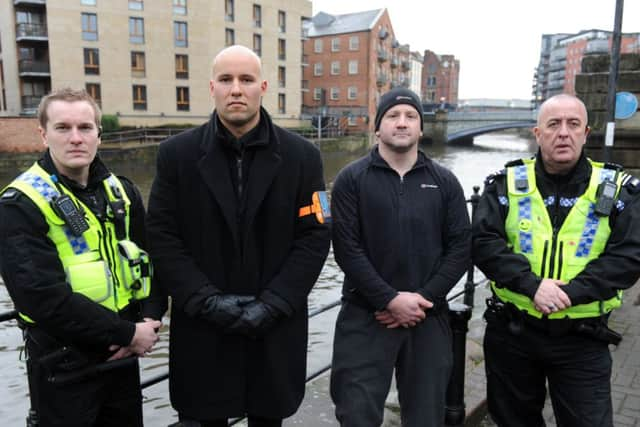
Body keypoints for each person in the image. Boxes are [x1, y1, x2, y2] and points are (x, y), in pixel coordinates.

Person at [145, 45, 330, 426]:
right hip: (204, 328)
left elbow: (316, 236)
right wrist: (205, 300)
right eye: (226, 80)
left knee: (269, 416)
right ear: (211, 87)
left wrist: (274, 303)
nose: (236, 89)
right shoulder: (175, 156)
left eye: (246, 80)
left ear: (263, 87)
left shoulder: (305, 158)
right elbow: (162, 236)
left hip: (275, 328)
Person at [0, 88, 165, 427]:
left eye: (85, 128)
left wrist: (149, 319)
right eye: (63, 128)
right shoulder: (20, 204)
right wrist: (128, 333)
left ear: (99, 136)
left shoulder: (122, 192)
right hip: (64, 366)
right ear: (44, 135)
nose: (76, 138)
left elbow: (151, 260)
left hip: (122, 359)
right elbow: (40, 298)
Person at [473, 94, 640, 427]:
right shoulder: (505, 184)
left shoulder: (618, 189)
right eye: (553, 124)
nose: (563, 132)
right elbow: (483, 242)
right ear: (538, 133)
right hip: (513, 333)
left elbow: (629, 256)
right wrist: (532, 286)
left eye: (572, 124)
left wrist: (569, 293)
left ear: (585, 133)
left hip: (582, 338)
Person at [329, 87, 471, 427]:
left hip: (427, 317)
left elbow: (460, 247)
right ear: (378, 127)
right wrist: (388, 299)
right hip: (366, 316)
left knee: (426, 416)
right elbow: (347, 249)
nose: (402, 123)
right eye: (392, 116)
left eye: (411, 116)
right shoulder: (352, 180)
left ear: (422, 128)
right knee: (356, 415)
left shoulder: (445, 181)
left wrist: (422, 298)